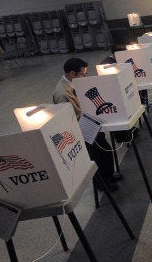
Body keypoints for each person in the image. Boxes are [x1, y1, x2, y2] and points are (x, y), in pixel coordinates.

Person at [52, 58, 121, 191]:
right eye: (83, 74)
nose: (85, 77)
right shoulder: (63, 93)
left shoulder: (74, 83)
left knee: (105, 151)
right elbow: (72, 118)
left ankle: (109, 176)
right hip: (82, 129)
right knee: (97, 157)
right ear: (72, 74)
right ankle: (102, 184)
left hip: (90, 123)